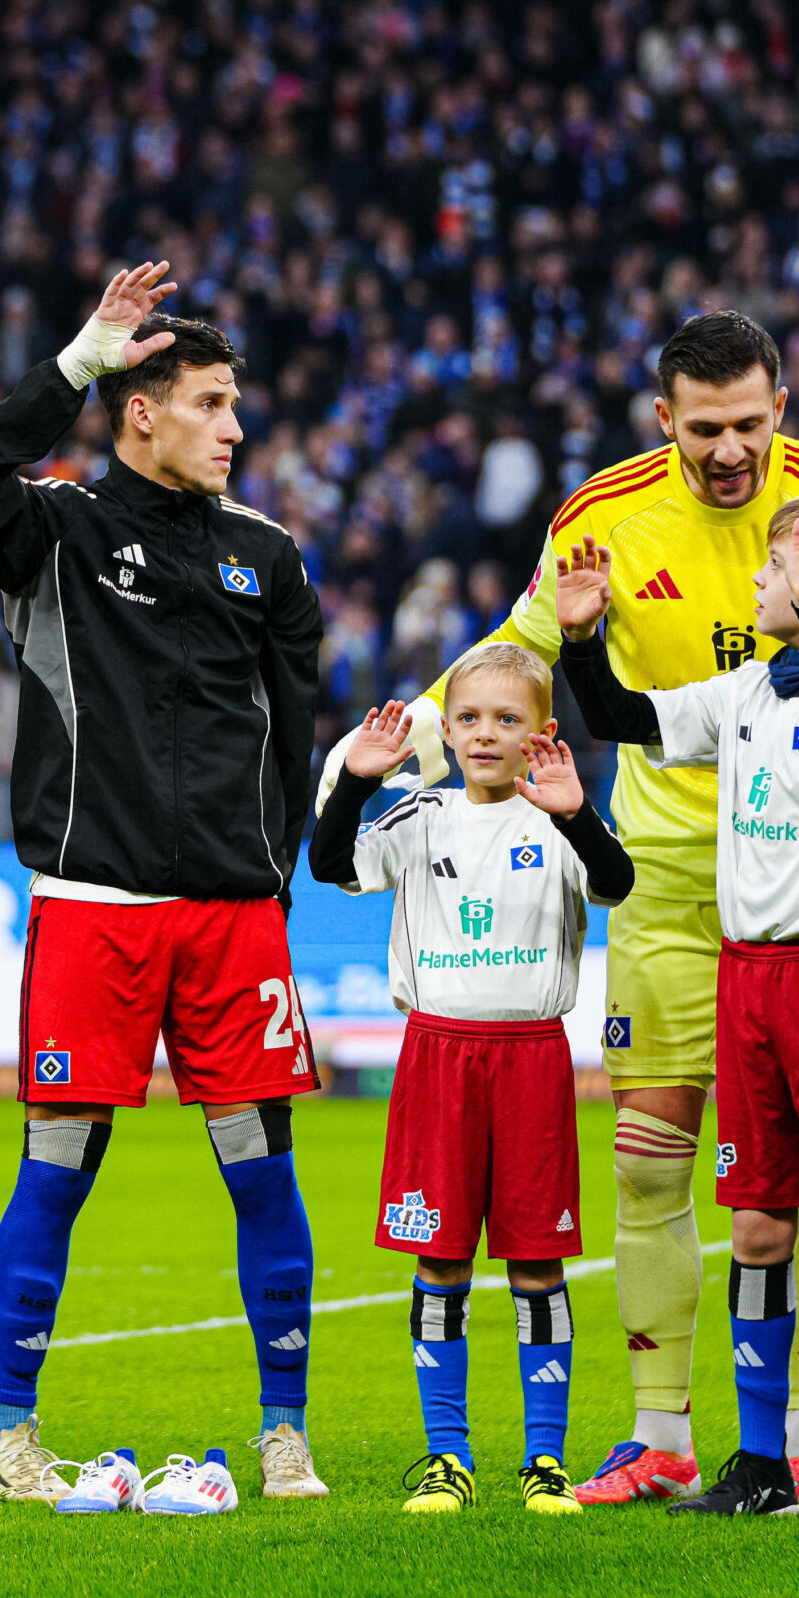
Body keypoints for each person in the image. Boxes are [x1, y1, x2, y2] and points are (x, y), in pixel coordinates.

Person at [323, 311, 799, 1511]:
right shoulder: (602, 514)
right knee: (648, 1167)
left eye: (748, 424)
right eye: (703, 428)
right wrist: (408, 733)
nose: (727, 450)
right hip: (666, 880)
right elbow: (520, 648)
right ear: (662, 417)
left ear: (780, 405)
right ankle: (663, 1433)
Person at [0, 263, 327, 1503]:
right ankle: (10, 1437)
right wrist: (75, 360)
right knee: (55, 1166)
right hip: (94, 913)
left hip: (230, 921)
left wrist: (269, 880)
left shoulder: (267, 559)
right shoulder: (52, 534)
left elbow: (294, 734)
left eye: (234, 406)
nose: (234, 427)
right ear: (139, 409)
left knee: (260, 1167)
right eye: (211, 404)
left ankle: (285, 1434)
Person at [558, 492, 799, 1524]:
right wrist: (583, 638)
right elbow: (622, 720)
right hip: (749, 980)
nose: (756, 581)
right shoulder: (745, 692)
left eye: (775, 567)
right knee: (761, 1222)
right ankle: (763, 1461)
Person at [311, 648, 635, 1516]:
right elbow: (329, 863)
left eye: (507, 719)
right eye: (469, 718)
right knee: (442, 1255)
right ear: (444, 732)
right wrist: (353, 781)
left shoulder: (560, 820)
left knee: (537, 1262)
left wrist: (576, 818)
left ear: (542, 735)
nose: (486, 734)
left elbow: (615, 883)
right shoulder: (418, 814)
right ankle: (447, 1455)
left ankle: (544, 1459)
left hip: (531, 1056)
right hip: (437, 1056)